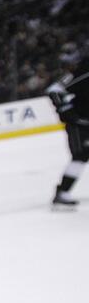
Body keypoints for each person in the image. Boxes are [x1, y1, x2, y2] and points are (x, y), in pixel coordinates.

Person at [47, 55, 88, 210]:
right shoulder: (84, 70)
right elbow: (54, 90)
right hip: (79, 124)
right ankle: (62, 193)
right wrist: (66, 110)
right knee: (80, 156)